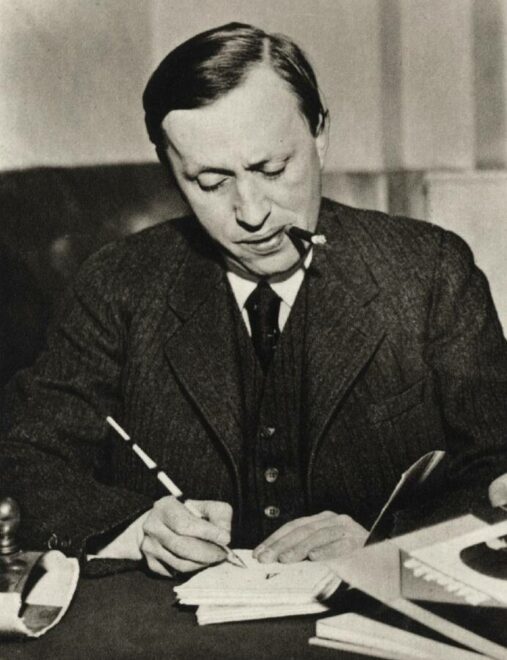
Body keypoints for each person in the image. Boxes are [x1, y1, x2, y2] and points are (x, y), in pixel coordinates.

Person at [1, 22, 507, 577]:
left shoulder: (429, 272)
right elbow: (24, 458)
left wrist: (388, 543)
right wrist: (137, 528)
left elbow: (497, 470)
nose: (252, 213)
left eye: (272, 169)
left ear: (320, 134)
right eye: (210, 182)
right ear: (171, 171)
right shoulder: (116, 284)